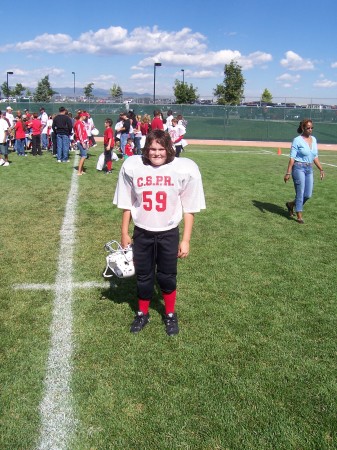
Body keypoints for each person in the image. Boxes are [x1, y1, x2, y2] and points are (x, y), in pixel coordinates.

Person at [113, 129, 206, 336]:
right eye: (152, 149)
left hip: (168, 233)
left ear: (169, 149)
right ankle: (142, 313)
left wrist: (186, 239)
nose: (156, 153)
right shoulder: (133, 167)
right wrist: (124, 232)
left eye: (161, 149)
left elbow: (189, 208)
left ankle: (170, 314)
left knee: (167, 277)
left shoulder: (183, 169)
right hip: (142, 232)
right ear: (146, 149)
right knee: (144, 276)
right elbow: (127, 203)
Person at [284, 119, 325, 224]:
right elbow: (292, 158)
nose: (310, 130)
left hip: (309, 169)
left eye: (312, 128)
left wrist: (321, 169)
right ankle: (299, 216)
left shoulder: (314, 139)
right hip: (298, 168)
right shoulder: (297, 140)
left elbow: (315, 156)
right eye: (308, 128)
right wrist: (288, 173)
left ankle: (291, 204)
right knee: (300, 193)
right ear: (303, 128)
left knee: (308, 194)